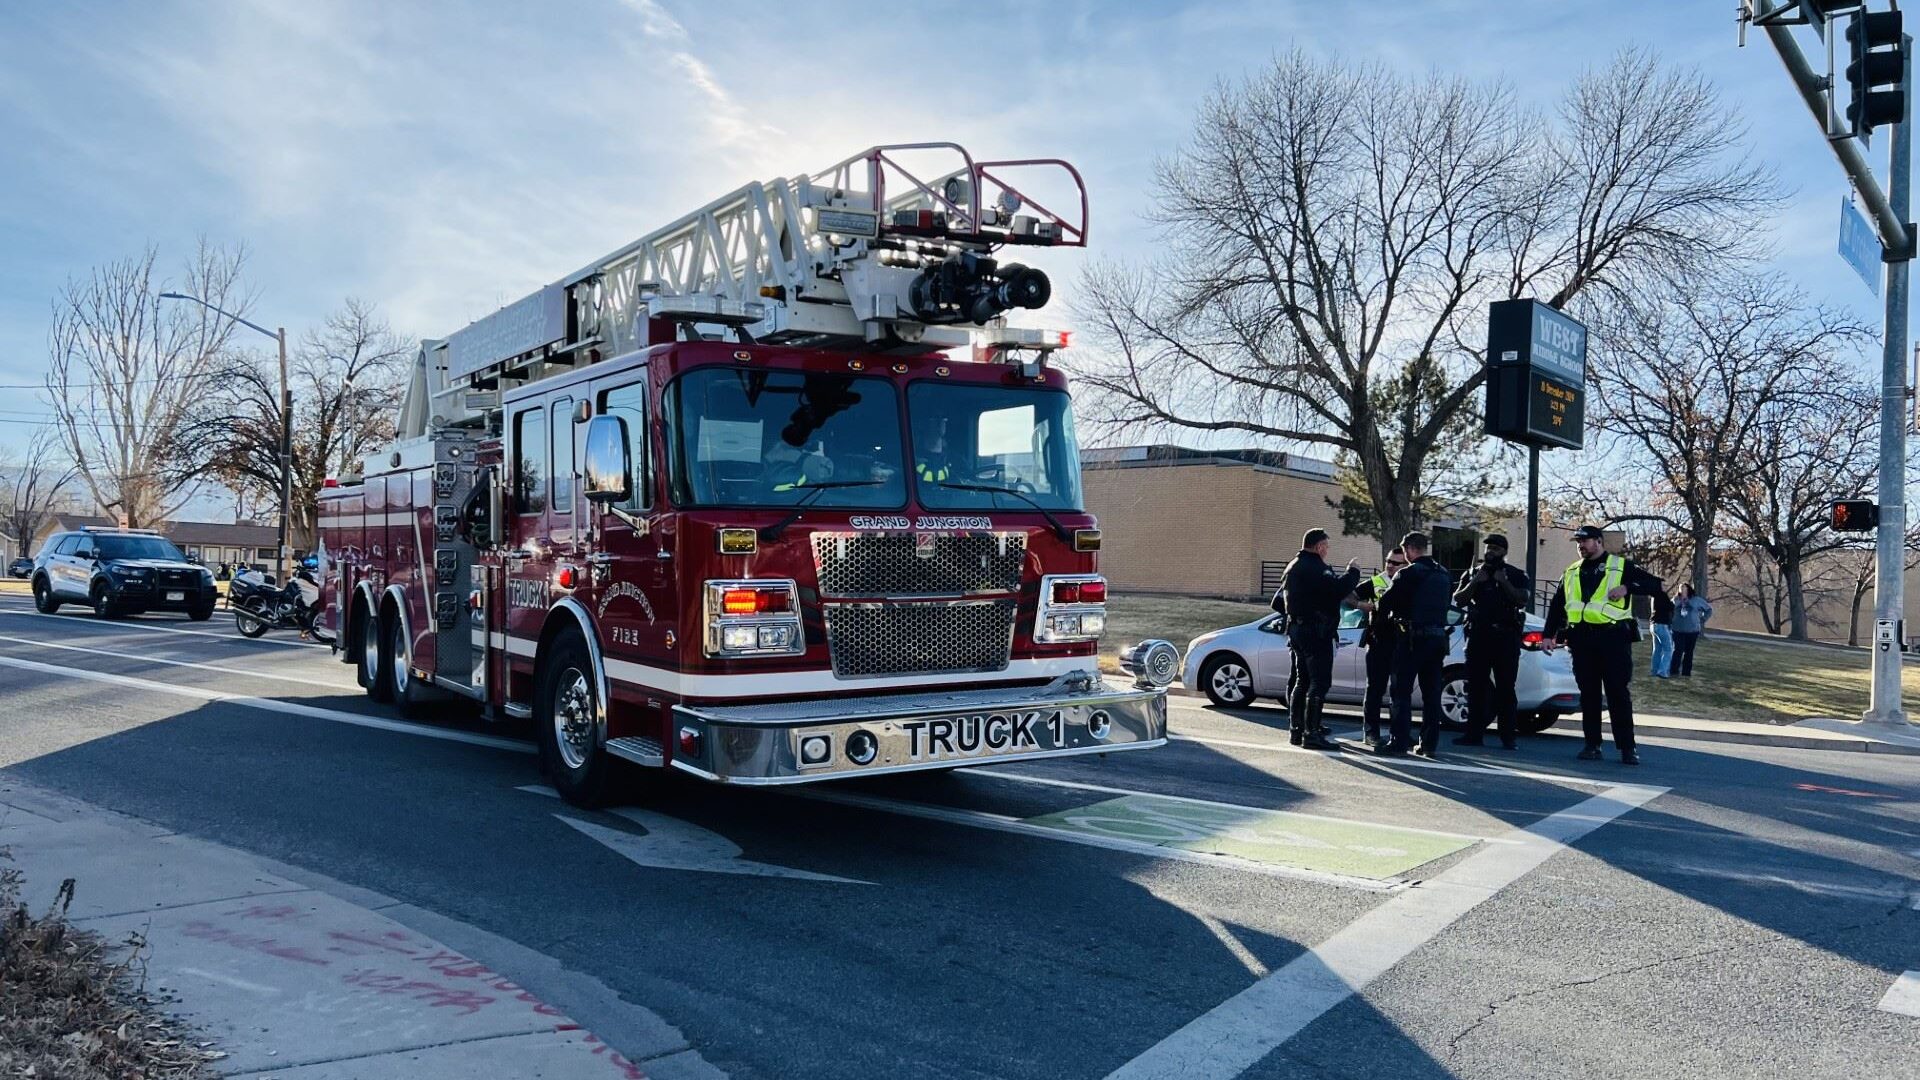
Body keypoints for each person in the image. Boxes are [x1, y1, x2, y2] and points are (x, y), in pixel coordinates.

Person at [1542, 525, 1670, 765]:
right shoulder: (1571, 571)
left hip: (1613, 639)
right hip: (1581, 641)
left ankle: (1627, 748)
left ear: (1599, 542)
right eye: (1578, 542)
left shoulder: (1620, 567)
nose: (1581, 545)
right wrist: (1548, 635)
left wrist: (1628, 587)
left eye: (1586, 540)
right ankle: (1592, 745)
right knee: (1588, 696)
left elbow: (1657, 585)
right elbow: (1557, 604)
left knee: (1617, 694)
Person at [1282, 528, 1361, 751]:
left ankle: (1296, 729)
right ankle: (1312, 733)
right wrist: (1353, 572)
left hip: (1297, 629)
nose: (1327, 550)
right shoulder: (1316, 567)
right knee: (1319, 682)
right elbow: (1337, 590)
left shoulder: (1293, 566)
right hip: (1315, 632)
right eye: (1326, 546)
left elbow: (1281, 601)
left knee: (1302, 680)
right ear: (1318, 546)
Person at [1378, 531, 1454, 758]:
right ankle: (1429, 743)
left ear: (1411, 549)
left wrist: (1386, 621)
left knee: (1401, 691)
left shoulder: (1408, 573)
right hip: (1438, 639)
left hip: (1412, 640)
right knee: (1431, 694)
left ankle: (1398, 741)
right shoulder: (1443, 574)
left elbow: (1386, 602)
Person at [1452, 534, 1531, 750]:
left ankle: (1508, 737)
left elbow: (1523, 599)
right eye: (1488, 548)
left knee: (1506, 688)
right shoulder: (1473, 574)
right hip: (1478, 637)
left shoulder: (1515, 574)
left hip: (1505, 638)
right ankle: (1473, 734)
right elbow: (1459, 599)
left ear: (1504, 551)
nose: (1490, 551)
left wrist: (1503, 581)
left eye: (1495, 548)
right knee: (1476, 688)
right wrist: (1476, 582)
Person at [1350, 550, 1409, 748]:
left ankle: (1399, 734)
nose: (1390, 565)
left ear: (1405, 564)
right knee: (1375, 688)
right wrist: (1359, 604)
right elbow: (1348, 595)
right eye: (1388, 561)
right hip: (1378, 641)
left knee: (1399, 690)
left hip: (1400, 642)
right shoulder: (1377, 581)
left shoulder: (1408, 580)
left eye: (1396, 563)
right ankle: (1371, 732)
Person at [1670, 584, 1713, 677]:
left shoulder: (1696, 600)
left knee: (1689, 652)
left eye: (1685, 589)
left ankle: (1686, 673)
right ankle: (1673, 671)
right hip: (1677, 630)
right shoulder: (1675, 600)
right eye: (1681, 589)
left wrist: (1702, 619)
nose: (1683, 591)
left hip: (1692, 631)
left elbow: (1709, 609)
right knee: (1677, 650)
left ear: (1689, 590)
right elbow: (1669, 609)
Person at [1649, 590, 1676, 678]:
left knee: (1657, 649)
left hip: (1653, 624)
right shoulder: (1662, 595)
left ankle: (1654, 670)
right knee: (1668, 649)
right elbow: (1669, 607)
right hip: (1661, 625)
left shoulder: (1653, 596)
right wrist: (1672, 603)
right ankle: (1662, 671)